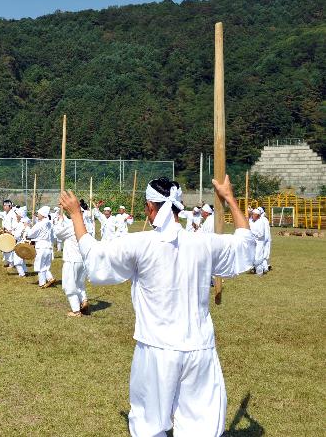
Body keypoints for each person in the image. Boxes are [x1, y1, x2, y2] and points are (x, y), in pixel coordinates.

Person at [60, 175, 254, 437]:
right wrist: (230, 197)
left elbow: (94, 256)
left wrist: (75, 215)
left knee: (149, 423)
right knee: (201, 425)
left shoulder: (140, 243)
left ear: (150, 208)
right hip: (199, 349)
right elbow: (245, 242)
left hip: (157, 348)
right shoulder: (204, 243)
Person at [53, 206, 88, 317]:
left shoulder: (73, 227)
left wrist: (59, 221)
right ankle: (84, 300)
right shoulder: (86, 226)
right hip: (82, 261)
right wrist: (62, 216)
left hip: (71, 260)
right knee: (79, 284)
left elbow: (58, 234)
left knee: (69, 285)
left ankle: (76, 311)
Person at [26, 206, 55, 287]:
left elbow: (30, 234)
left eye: (39, 213)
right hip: (48, 247)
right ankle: (50, 278)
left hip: (41, 247)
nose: (37, 214)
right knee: (46, 265)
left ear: (43, 215)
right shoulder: (49, 223)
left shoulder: (40, 224)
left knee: (40, 265)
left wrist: (27, 227)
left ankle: (42, 283)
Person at [0, 200, 19, 267]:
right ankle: (7, 262)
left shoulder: (13, 214)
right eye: (3, 205)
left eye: (5, 205)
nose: (4, 207)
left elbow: (16, 225)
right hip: (5, 233)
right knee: (5, 247)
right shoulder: (5, 213)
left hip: (11, 234)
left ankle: (11, 263)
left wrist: (11, 232)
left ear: (10, 206)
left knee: (10, 249)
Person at [250, 207, 270, 275]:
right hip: (253, 242)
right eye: (252, 214)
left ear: (257, 215)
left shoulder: (261, 222)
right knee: (253, 256)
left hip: (259, 242)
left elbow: (261, 234)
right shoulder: (252, 222)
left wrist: (253, 234)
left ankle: (260, 271)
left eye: (253, 214)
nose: (252, 215)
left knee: (258, 256)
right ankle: (255, 269)